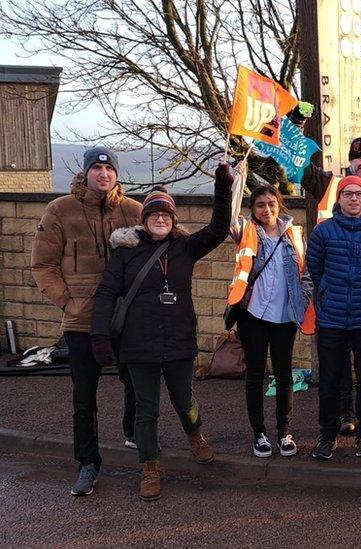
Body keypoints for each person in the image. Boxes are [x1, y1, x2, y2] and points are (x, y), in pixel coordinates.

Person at [90, 166, 233, 501]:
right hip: (138, 344)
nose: (159, 219)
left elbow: (218, 228)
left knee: (185, 400)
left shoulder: (185, 248)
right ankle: (149, 466)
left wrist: (222, 188)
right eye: (153, 213)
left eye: (165, 214)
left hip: (179, 339)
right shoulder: (125, 253)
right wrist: (99, 335)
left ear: (173, 219)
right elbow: (107, 293)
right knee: (146, 407)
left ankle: (195, 434)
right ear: (144, 219)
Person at [30, 146, 141, 497]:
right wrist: (66, 300)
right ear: (86, 172)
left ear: (117, 175)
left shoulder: (134, 210)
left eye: (109, 170)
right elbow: (43, 265)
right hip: (81, 320)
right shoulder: (60, 210)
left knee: (137, 383)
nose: (103, 174)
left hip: (126, 318)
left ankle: (133, 433)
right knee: (84, 397)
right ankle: (87, 464)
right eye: (97, 168)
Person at [307, 175, 361, 460]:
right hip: (331, 320)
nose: (354, 199)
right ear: (339, 198)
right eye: (348, 194)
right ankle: (327, 435)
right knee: (330, 381)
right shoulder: (323, 232)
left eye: (358, 194)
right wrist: (328, 294)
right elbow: (315, 270)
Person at [228, 183, 315, 459]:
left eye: (271, 204)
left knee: (284, 375)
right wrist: (235, 181)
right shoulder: (246, 232)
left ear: (280, 205)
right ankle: (259, 434)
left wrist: (302, 299)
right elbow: (227, 217)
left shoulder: (295, 235)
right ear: (252, 209)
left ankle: (284, 433)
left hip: (284, 315)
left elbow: (307, 271)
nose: (266, 209)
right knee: (254, 374)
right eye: (260, 205)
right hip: (252, 314)